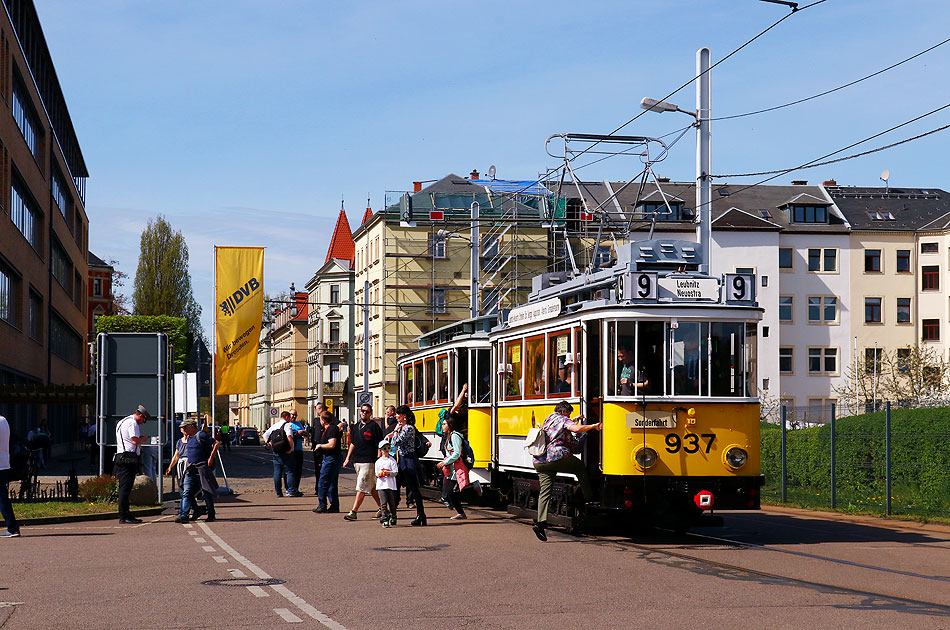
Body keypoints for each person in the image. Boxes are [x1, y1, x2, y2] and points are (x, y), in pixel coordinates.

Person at [531, 401, 602, 542]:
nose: (569, 416)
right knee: (580, 467)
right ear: (564, 412)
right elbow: (575, 430)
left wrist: (574, 419)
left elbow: (560, 427)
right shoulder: (564, 419)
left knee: (545, 492)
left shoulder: (549, 418)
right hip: (556, 456)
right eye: (568, 413)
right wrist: (593, 426)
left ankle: (540, 523)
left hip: (540, 461)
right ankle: (589, 498)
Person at [165, 418, 219, 523]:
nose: (184, 429)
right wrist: (170, 467)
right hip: (190, 469)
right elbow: (177, 454)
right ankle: (184, 515)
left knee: (205, 492)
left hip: (202, 468)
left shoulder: (201, 435)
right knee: (186, 491)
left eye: (185, 427)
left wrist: (211, 458)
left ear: (192, 427)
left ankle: (211, 514)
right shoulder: (188, 438)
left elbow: (216, 443)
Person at [342, 403, 383, 521]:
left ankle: (353, 511)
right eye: (362, 411)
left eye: (367, 411)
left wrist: (379, 459)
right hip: (357, 460)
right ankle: (383, 507)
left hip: (369, 461)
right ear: (360, 412)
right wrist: (347, 458)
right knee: (371, 486)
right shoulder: (355, 426)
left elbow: (379, 445)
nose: (364, 413)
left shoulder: (374, 427)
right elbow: (352, 443)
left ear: (370, 414)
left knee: (361, 485)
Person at [387, 405, 427, 526]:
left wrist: (394, 432)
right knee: (395, 487)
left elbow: (396, 442)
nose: (396, 416)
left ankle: (421, 515)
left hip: (409, 460)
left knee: (414, 488)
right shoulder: (402, 428)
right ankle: (391, 515)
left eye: (398, 414)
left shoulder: (409, 428)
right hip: (401, 460)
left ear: (404, 416)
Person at [115, 404, 150, 524]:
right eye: (143, 420)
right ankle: (123, 515)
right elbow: (134, 440)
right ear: (140, 415)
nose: (142, 423)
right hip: (128, 457)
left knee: (125, 486)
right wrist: (143, 439)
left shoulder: (123, 421)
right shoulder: (133, 423)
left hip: (121, 455)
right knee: (125, 487)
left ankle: (126, 513)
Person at [436, 413, 468, 520]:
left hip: (457, 467)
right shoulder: (449, 436)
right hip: (451, 468)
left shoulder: (455, 436)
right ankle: (461, 513)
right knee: (450, 492)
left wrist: (445, 462)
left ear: (450, 425)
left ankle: (474, 487)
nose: (442, 426)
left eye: (444, 424)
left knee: (452, 491)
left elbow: (457, 453)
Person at [312, 411, 342, 513]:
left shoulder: (331, 429)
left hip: (331, 458)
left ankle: (322, 504)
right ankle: (334, 506)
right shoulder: (329, 429)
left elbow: (331, 444)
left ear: (323, 420)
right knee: (332, 483)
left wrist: (320, 446)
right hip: (330, 458)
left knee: (323, 481)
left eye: (320, 419)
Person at [263, 411, 296, 498]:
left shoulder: (274, 426)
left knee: (277, 472)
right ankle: (291, 490)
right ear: (287, 417)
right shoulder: (288, 425)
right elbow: (289, 437)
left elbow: (265, 435)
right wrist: (292, 448)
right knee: (289, 471)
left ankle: (278, 492)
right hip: (286, 451)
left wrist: (269, 443)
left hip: (276, 451)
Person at [0, 414, 20, 537]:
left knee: (1, 497)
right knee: (2, 496)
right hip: (4, 462)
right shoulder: (3, 420)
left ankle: (12, 527)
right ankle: (13, 527)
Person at [375, 440, 399, 528]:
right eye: (384, 448)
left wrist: (388, 473)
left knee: (392, 502)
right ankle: (385, 518)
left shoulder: (392, 460)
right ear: (381, 450)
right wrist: (380, 474)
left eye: (388, 448)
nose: (386, 450)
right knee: (383, 503)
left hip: (390, 485)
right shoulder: (378, 462)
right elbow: (376, 473)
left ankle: (393, 515)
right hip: (381, 485)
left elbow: (395, 472)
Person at [287, 409, 306, 497]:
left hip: (298, 449)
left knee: (298, 470)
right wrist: (297, 433)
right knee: (289, 470)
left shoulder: (298, 424)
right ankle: (289, 489)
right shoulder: (286, 424)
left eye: (295, 415)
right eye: (292, 414)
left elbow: (305, 434)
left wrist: (303, 433)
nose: (294, 416)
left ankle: (296, 488)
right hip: (290, 450)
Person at [310, 402, 326, 494]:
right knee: (317, 469)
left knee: (324, 469)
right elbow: (313, 432)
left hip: (324, 447)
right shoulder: (316, 420)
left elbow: (339, 425)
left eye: (316, 409)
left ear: (320, 409)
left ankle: (323, 488)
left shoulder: (329, 418)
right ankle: (318, 488)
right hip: (316, 448)